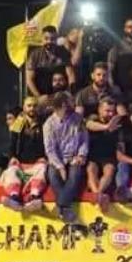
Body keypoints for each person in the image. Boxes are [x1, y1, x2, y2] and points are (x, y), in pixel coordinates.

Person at [42, 91, 88, 223]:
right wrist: (60, 166)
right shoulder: (48, 124)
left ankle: (60, 206)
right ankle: (66, 209)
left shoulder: (77, 119)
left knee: (75, 174)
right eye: (68, 104)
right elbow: (49, 150)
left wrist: (81, 155)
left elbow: (84, 140)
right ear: (62, 106)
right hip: (57, 158)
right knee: (52, 174)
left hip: (74, 156)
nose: (71, 106)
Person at [0, 96, 48, 212]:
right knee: (11, 171)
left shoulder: (44, 123)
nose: (32, 108)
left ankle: (34, 197)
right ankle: (14, 197)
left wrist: (45, 157)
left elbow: (48, 143)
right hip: (21, 162)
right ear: (24, 108)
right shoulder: (18, 122)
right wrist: (12, 157)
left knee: (42, 168)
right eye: (29, 106)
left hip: (37, 162)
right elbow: (13, 142)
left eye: (34, 106)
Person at [26, 25, 74, 99]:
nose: (49, 41)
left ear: (56, 39)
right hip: (40, 95)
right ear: (42, 39)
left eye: (52, 39)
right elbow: (29, 79)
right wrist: (39, 97)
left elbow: (71, 75)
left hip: (60, 95)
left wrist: (69, 93)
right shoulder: (34, 54)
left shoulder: (63, 52)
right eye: (46, 39)